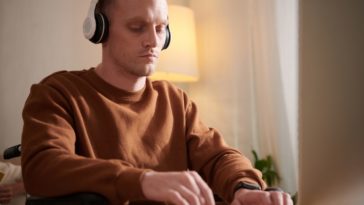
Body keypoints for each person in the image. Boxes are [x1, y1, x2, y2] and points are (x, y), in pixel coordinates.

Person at [21, 0, 293, 204]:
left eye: (161, 28)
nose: (153, 41)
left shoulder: (175, 100)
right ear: (99, 30)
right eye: (137, 28)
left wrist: (245, 188)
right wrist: (140, 180)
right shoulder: (58, 92)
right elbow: (42, 166)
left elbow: (218, 155)